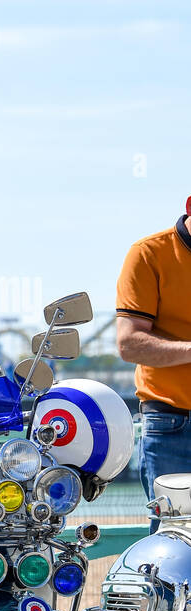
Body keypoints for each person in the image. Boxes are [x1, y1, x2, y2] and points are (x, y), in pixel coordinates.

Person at [115, 198, 191, 505]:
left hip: (170, 426)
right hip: (172, 424)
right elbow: (129, 343)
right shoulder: (148, 254)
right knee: (173, 541)